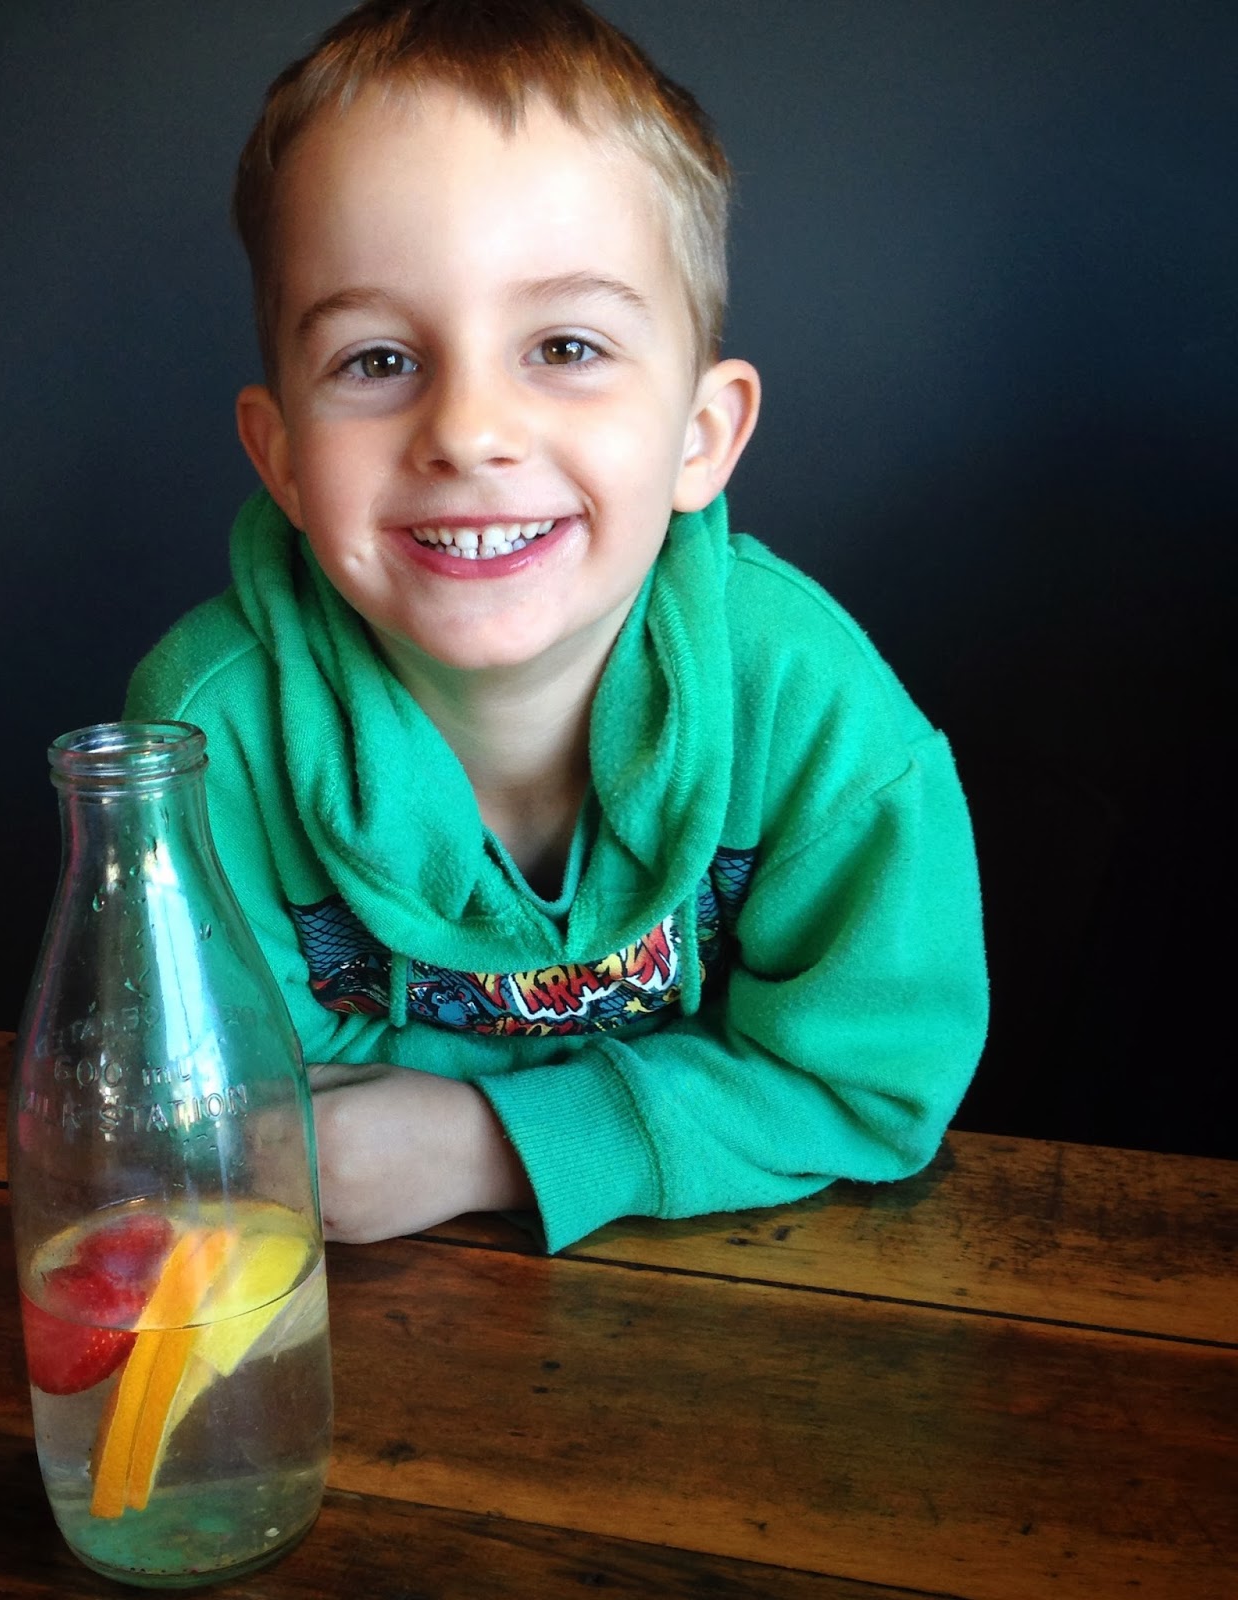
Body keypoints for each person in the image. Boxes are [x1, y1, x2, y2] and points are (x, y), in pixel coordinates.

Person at [125, 0, 988, 1253]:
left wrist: (485, 1141)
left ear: (700, 436)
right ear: (285, 458)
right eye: (378, 360)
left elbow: (873, 1082)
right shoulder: (206, 739)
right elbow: (233, 1106)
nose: (469, 431)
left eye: (566, 345)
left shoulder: (810, 706)